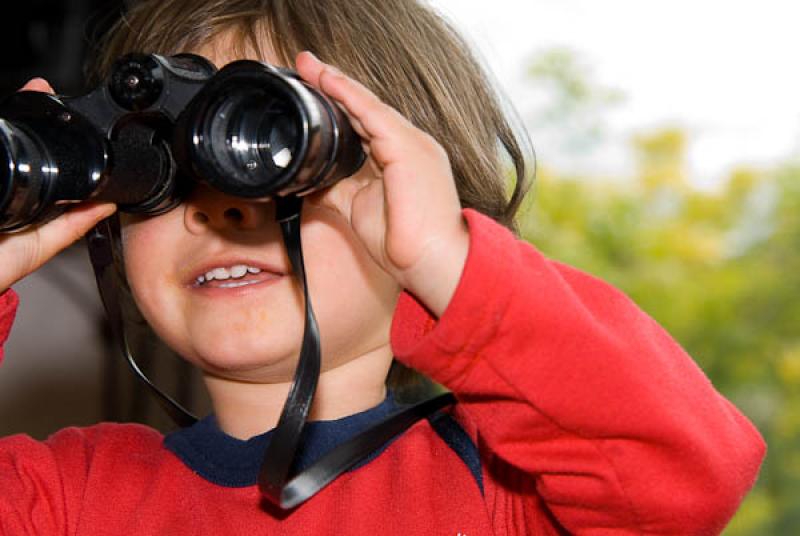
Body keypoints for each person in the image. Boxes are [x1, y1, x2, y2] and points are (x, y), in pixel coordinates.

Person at [0, 0, 765, 533]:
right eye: (161, 169)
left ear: (415, 194)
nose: (219, 208)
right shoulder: (62, 498)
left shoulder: (511, 492)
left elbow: (688, 474)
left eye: (269, 157)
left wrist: (451, 264)